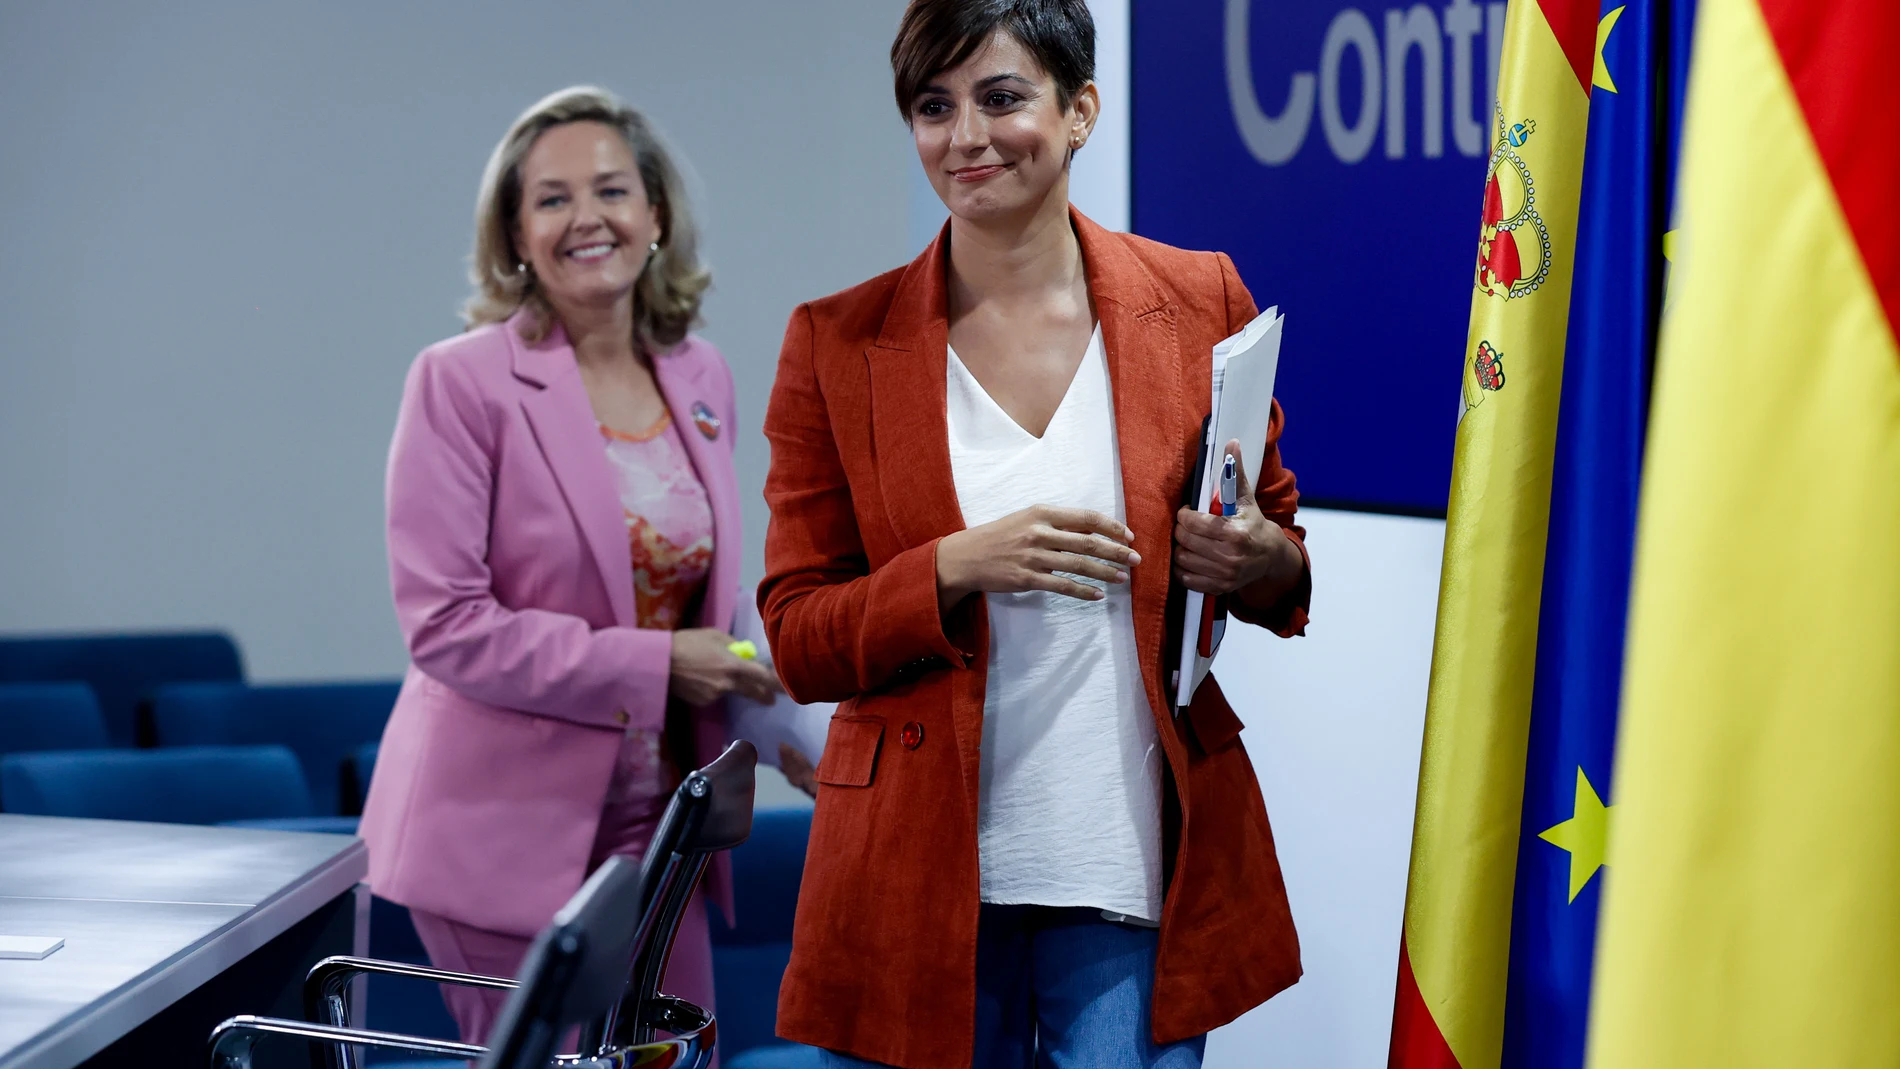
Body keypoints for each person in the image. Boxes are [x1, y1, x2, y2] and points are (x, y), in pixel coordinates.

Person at [756, 2, 1313, 1066]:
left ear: (1079, 111)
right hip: (912, 878)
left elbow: (1279, 551)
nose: (966, 136)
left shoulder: (1199, 300)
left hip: (1126, 864)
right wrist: (955, 567)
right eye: (934, 107)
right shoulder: (836, 341)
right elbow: (797, 633)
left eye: (1001, 97)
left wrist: (1253, 557)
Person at [360, 86, 777, 1048]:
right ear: (513, 233)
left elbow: (693, 583)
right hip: (501, 830)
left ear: (656, 214)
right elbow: (447, 627)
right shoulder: (458, 381)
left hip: (665, 821)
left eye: (612, 190)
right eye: (551, 199)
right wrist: (663, 663)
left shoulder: (698, 372)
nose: (587, 217)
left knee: (669, 1055)